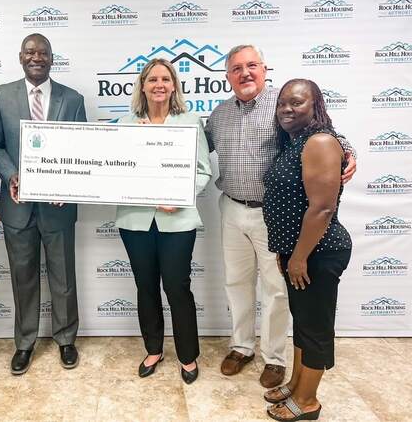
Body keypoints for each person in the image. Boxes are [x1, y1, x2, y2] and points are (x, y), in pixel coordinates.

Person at [204, 45, 356, 389]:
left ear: (264, 69)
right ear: (227, 76)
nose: (245, 73)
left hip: (271, 217)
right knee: (236, 283)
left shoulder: (281, 104)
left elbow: (322, 131)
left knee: (275, 290)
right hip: (230, 208)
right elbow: (192, 148)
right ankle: (241, 347)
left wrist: (348, 148)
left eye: (252, 66)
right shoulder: (219, 114)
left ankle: (274, 358)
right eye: (236, 68)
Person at [0, 33, 86, 375]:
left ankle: (66, 338)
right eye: (30, 52)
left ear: (52, 58)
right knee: (23, 277)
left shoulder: (72, 99)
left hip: (59, 206)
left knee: (63, 276)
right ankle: (25, 342)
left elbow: (81, 148)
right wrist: (12, 174)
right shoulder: (2, 96)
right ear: (20, 57)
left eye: (43, 52)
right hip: (18, 206)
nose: (36, 57)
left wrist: (66, 182)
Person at [116, 58, 212, 384]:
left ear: (174, 86)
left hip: (178, 221)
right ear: (142, 85)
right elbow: (114, 172)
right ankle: (154, 348)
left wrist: (180, 196)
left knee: (177, 286)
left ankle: (188, 355)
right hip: (135, 222)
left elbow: (202, 171)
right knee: (145, 286)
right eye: (153, 79)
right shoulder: (125, 124)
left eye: (166, 79)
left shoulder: (189, 121)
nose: (159, 84)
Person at [263, 79, 352, 421]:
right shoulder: (294, 143)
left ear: (315, 106)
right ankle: (297, 384)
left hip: (318, 253)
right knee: (302, 323)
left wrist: (299, 256)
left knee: (314, 327)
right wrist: (288, 252)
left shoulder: (320, 142)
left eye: (297, 103)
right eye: (282, 103)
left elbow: (322, 209)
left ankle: (308, 401)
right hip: (298, 253)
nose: (287, 109)